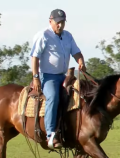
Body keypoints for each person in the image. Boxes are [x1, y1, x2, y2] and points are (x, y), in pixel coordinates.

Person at [30, 9, 86, 149]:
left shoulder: (68, 36)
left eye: (62, 22)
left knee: (82, 93)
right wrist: (36, 77)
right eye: (57, 22)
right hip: (48, 76)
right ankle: (50, 134)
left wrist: (80, 61)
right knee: (53, 97)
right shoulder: (43, 35)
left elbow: (76, 52)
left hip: (64, 75)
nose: (60, 25)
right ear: (51, 22)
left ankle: (72, 129)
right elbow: (34, 57)